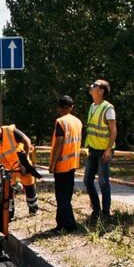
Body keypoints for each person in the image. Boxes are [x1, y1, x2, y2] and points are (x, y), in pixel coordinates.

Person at [0, 120, 40, 215]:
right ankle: (9, 212)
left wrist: (24, 162)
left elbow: (27, 141)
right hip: (8, 169)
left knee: (29, 186)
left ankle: (33, 209)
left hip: (21, 164)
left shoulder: (11, 131)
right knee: (7, 191)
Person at [82, 79, 117, 223]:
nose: (91, 86)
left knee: (103, 182)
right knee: (87, 180)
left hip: (104, 151)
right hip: (93, 150)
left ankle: (106, 213)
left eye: (95, 85)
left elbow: (113, 130)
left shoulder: (108, 108)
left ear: (101, 91)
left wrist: (109, 150)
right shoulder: (92, 106)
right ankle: (96, 210)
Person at [48, 95, 83, 232]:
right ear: (71, 107)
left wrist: (52, 164)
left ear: (59, 108)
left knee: (61, 197)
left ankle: (69, 225)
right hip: (73, 163)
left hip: (62, 165)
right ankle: (61, 224)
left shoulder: (61, 122)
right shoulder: (77, 122)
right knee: (66, 196)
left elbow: (59, 143)